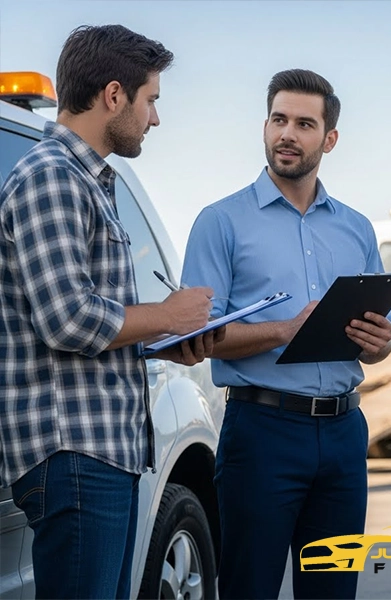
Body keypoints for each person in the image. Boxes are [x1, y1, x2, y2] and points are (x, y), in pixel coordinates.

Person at [0, 25, 222, 599]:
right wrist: (169, 315)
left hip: (101, 449)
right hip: (73, 450)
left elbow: (96, 319)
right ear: (115, 95)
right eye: (150, 101)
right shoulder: (51, 176)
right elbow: (69, 319)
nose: (154, 119)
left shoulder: (91, 182)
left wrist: (162, 340)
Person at [181, 68, 391, 599]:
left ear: (329, 139)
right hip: (261, 431)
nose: (287, 134)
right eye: (279, 119)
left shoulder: (357, 228)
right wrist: (286, 328)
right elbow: (192, 335)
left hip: (346, 434)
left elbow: (384, 340)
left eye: (304, 124)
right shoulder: (221, 222)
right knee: (248, 587)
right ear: (264, 125)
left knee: (333, 592)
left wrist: (381, 342)